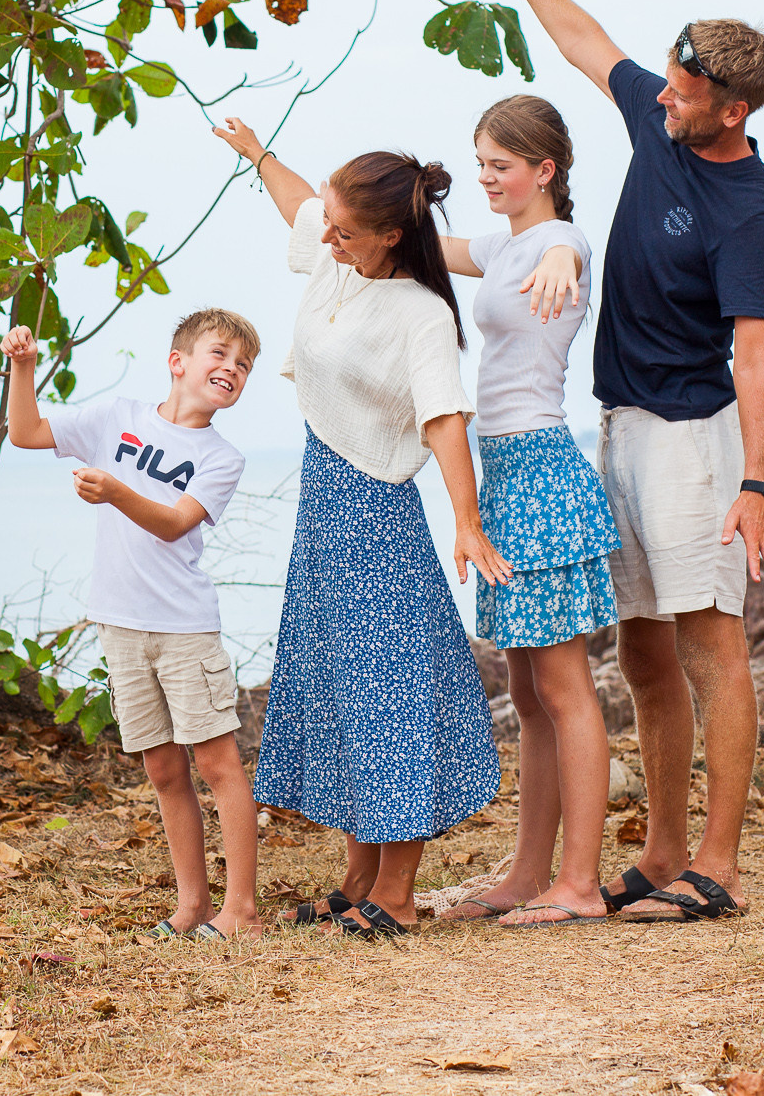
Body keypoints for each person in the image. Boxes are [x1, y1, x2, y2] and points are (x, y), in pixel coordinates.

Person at [451, 0, 764, 923]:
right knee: (642, 649)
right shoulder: (661, 115)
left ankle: (718, 868)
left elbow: (757, 351)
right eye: (669, 82)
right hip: (616, 427)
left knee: (707, 639)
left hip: (694, 437)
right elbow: (583, 41)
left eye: (684, 94)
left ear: (728, 108)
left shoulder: (751, 207)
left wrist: (756, 485)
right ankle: (659, 849)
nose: (665, 100)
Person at [211, 117, 510, 939]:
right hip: (323, 503)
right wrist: (259, 155)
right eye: (331, 225)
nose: (328, 235)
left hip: (376, 514)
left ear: (390, 235)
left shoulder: (420, 315)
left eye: (345, 230)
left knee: (390, 697)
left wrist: (467, 520)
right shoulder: (338, 251)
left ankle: (401, 894)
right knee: (344, 691)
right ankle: (359, 877)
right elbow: (299, 205)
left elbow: (445, 418)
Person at [0, 309, 264, 940]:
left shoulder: (222, 458)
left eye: (243, 365)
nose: (230, 368)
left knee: (218, 764)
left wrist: (116, 490)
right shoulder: (116, 416)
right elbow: (26, 432)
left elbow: (175, 523)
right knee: (164, 771)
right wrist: (24, 367)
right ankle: (193, 904)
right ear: (178, 362)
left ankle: (243, 911)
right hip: (120, 625)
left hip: (184, 629)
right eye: (219, 354)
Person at [433, 96, 621, 929]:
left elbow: (567, 251)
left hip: (542, 470)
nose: (485, 178)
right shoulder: (503, 247)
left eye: (500, 165)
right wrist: (296, 186)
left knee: (562, 683)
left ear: (545, 171)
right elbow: (408, 245)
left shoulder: (555, 244)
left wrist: (563, 259)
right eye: (480, 164)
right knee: (528, 686)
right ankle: (528, 872)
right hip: (503, 477)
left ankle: (580, 883)